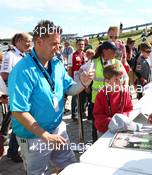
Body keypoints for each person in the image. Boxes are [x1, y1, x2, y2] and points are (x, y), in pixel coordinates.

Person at [8, 20, 94, 174]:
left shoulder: (56, 63)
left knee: (69, 167)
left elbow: (70, 89)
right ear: (39, 42)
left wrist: (82, 83)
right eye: (54, 44)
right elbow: (19, 112)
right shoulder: (23, 70)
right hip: (33, 137)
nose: (58, 48)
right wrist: (45, 135)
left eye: (59, 44)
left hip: (57, 129)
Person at [80, 41, 128, 142]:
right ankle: (95, 144)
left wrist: (124, 86)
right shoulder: (94, 62)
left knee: (114, 124)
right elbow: (82, 70)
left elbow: (125, 77)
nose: (115, 53)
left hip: (114, 100)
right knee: (97, 126)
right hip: (97, 100)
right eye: (113, 51)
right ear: (104, 51)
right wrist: (84, 78)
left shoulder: (117, 62)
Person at [0, 33, 32, 163]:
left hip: (23, 95)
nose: (29, 44)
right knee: (20, 122)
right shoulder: (10, 55)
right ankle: (13, 152)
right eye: (27, 41)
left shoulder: (22, 55)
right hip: (16, 96)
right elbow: (5, 75)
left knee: (20, 122)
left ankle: (13, 151)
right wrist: (11, 94)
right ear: (19, 41)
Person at [93, 64, 133, 136]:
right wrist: (112, 121)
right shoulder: (101, 95)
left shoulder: (124, 92)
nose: (120, 81)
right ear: (108, 81)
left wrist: (122, 118)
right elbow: (98, 115)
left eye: (120, 78)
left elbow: (129, 108)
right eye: (116, 79)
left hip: (121, 127)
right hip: (104, 130)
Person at [68, 38, 88, 121]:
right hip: (75, 79)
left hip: (84, 79)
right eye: (79, 44)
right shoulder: (72, 55)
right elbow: (70, 68)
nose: (81, 46)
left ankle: (82, 112)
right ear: (76, 45)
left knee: (84, 96)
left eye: (83, 44)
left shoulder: (85, 54)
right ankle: (74, 115)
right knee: (75, 97)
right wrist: (70, 80)